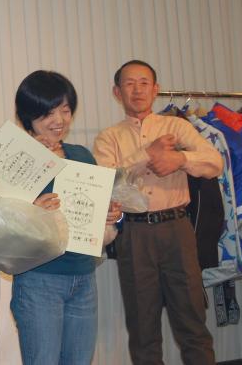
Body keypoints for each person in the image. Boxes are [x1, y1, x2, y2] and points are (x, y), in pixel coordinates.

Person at [92, 60, 223, 365]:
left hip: (177, 228)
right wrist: (146, 155)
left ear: (155, 89)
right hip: (133, 234)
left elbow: (214, 163)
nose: (137, 90)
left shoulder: (177, 127)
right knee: (143, 328)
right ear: (117, 92)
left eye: (144, 83)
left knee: (192, 321)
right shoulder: (108, 137)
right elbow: (105, 183)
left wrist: (180, 160)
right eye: (129, 84)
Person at [9, 70, 122, 365]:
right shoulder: (18, 158)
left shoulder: (81, 155)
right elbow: (0, 221)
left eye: (65, 110)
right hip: (39, 278)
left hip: (83, 275)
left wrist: (110, 213)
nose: (58, 120)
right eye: (48, 112)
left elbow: (98, 214)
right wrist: (33, 209)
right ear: (28, 115)